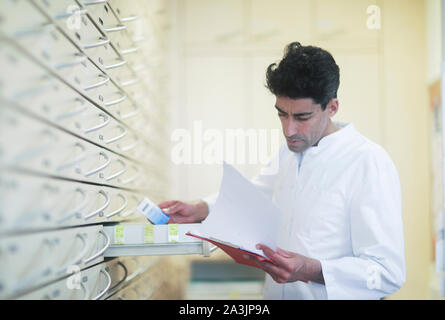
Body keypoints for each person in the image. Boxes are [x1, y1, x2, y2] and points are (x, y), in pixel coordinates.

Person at [158, 42, 406, 300]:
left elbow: (387, 272)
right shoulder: (289, 153)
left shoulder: (367, 161)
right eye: (281, 114)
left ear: (332, 107)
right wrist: (201, 208)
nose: (289, 130)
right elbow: (256, 195)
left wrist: (311, 269)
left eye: (302, 117)